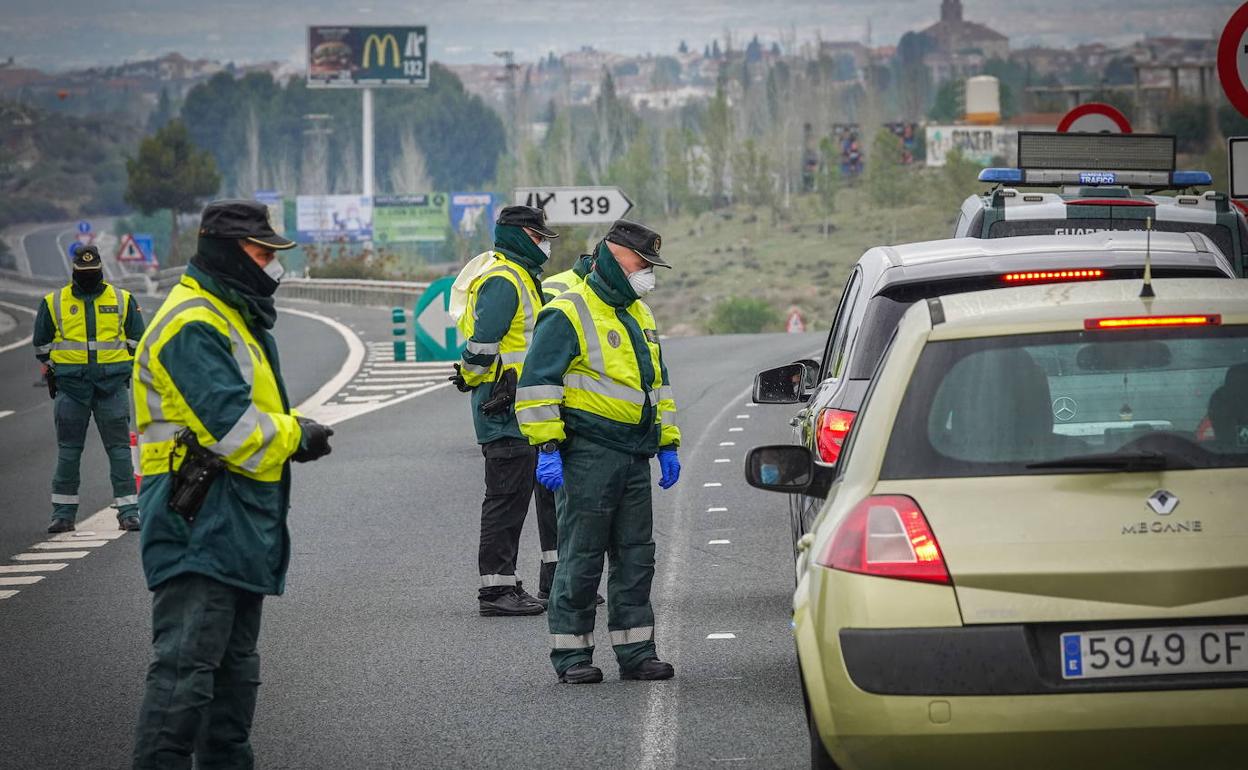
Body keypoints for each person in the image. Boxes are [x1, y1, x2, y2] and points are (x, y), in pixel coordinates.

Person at [130, 200, 335, 769]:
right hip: (196, 514)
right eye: (261, 252)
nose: (272, 265)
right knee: (185, 673)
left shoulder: (228, 314)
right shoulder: (193, 322)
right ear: (225, 252)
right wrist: (299, 436)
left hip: (238, 515)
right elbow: (231, 427)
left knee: (233, 677)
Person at [515, 219, 682, 684]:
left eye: (650, 265)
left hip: (634, 453)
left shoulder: (639, 313)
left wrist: (667, 443)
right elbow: (536, 385)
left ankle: (636, 653)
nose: (647, 272)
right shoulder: (567, 310)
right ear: (614, 255)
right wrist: (547, 445)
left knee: (635, 555)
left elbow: (657, 386)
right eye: (642, 263)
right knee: (582, 555)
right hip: (587, 452)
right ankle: (572, 656)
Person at [450, 205, 559, 616]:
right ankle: (496, 591)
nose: (544, 244)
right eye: (538, 237)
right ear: (517, 235)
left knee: (518, 499)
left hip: (521, 405)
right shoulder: (503, 279)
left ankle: (513, 583)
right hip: (504, 406)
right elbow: (483, 345)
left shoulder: (521, 276)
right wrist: (470, 375)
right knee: (505, 499)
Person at [33, 244, 145, 533]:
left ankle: (129, 512)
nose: (88, 276)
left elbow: (137, 341)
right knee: (69, 452)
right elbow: (41, 345)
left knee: (120, 451)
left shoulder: (122, 299)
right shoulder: (53, 302)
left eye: (92, 272)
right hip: (72, 389)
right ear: (74, 271)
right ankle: (63, 515)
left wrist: (120, 368)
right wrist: (62, 369)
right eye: (84, 272)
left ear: (100, 270)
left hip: (112, 388)